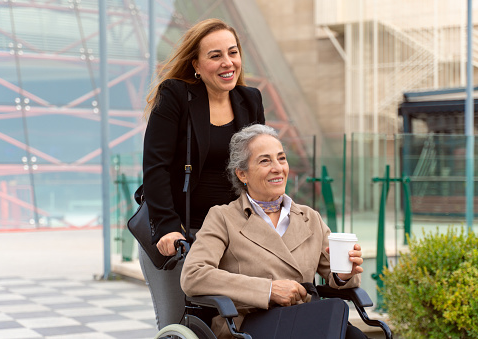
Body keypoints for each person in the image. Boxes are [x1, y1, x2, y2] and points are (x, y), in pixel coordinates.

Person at [181, 124, 367, 339]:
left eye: (282, 158)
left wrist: (343, 276)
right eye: (265, 161)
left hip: (308, 319)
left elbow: (335, 275)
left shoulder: (310, 217)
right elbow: (193, 275)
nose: (278, 168)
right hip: (249, 325)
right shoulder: (223, 217)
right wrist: (268, 290)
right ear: (242, 174)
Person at [140, 18, 265, 330]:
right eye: (215, 55)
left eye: (232, 53)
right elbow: (154, 167)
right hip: (179, 233)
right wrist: (169, 227)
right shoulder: (176, 95)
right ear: (195, 64)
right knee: (178, 323)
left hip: (230, 235)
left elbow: (258, 166)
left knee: (238, 321)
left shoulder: (250, 100)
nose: (228, 63)